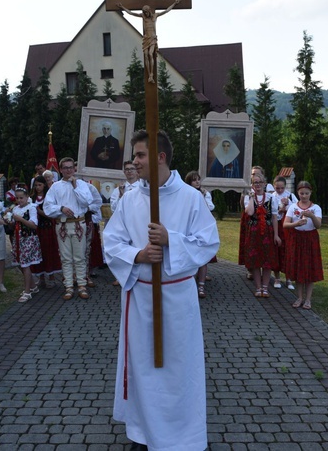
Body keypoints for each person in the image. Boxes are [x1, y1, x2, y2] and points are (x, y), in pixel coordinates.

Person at [103, 129, 220, 450]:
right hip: (140, 297)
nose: (134, 162)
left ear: (160, 157)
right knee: (143, 368)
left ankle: (184, 437)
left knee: (179, 370)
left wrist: (172, 241)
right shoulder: (130, 200)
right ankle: (142, 434)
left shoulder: (191, 198)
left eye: (140, 155)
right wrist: (137, 255)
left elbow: (209, 243)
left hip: (178, 299)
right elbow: (111, 242)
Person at [43, 157, 94, 300]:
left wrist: (75, 186)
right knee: (65, 257)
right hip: (62, 225)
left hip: (79, 223)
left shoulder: (82, 185)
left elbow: (86, 202)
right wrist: (61, 208)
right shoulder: (55, 186)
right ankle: (69, 286)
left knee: (80, 256)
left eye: (71, 167)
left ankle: (82, 285)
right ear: (60, 170)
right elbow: (47, 207)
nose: (68, 170)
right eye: (65, 168)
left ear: (74, 169)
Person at [118, 0, 181, 83]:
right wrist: (122, 7)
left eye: (147, 12)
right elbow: (131, 13)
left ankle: (151, 74)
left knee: (151, 54)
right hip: (146, 38)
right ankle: (149, 75)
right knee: (146, 54)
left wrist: (174, 3)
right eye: (144, 12)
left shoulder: (155, 16)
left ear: (149, 11)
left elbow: (166, 11)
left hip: (152, 38)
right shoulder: (143, 17)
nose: (146, 14)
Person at [283, 181, 323, 309]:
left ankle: (308, 299)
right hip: (297, 239)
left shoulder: (316, 208)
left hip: (311, 239)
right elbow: (285, 224)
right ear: (298, 193)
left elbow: (318, 225)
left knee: (310, 268)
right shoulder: (293, 207)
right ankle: (299, 297)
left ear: (310, 193)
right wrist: (296, 224)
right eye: (301, 193)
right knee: (298, 268)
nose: (304, 196)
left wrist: (311, 215)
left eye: (306, 193)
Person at [243, 171, 282, 297]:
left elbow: (275, 217)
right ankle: (258, 287)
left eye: (260, 182)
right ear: (252, 185)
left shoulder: (272, 198)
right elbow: (249, 213)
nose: (258, 185)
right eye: (255, 183)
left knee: (267, 260)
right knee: (255, 260)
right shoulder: (249, 197)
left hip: (268, 231)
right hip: (254, 231)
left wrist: (276, 235)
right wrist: (252, 197)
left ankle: (265, 287)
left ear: (265, 184)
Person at [184, 170, 217, 298]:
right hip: (189, 227)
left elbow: (210, 207)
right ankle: (190, 284)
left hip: (202, 227)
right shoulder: (185, 194)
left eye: (198, 179)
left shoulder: (204, 193)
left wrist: (202, 198)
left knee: (203, 257)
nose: (197, 182)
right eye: (194, 180)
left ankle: (201, 286)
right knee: (191, 256)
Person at [108, 160, 140, 286]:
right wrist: (121, 195)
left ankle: (137, 273)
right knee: (123, 249)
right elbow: (113, 208)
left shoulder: (142, 187)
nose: (129, 172)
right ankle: (121, 274)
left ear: (137, 171)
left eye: (132, 169)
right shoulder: (118, 189)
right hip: (123, 224)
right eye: (127, 169)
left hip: (137, 223)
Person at [10, 187, 43, 303]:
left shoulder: (32, 208)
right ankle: (33, 286)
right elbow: (14, 225)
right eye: (17, 198)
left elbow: (34, 225)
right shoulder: (15, 209)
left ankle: (27, 291)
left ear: (27, 197)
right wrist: (10, 222)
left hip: (28, 239)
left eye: (21, 198)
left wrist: (20, 219)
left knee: (25, 264)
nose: (19, 200)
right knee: (20, 263)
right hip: (18, 239)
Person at [30, 175, 62, 288]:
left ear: (44, 185)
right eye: (36, 185)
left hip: (47, 228)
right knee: (39, 252)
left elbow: (51, 215)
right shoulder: (32, 198)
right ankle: (41, 277)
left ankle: (51, 277)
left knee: (49, 251)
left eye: (40, 185)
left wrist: (39, 211)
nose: (38, 187)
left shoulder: (49, 197)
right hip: (37, 229)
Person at [271, 175, 298, 290]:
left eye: (282, 188)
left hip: (288, 228)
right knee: (276, 251)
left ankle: (288, 278)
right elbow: (270, 212)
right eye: (277, 188)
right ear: (274, 187)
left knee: (288, 251)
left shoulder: (291, 196)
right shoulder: (272, 197)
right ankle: (277, 277)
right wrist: (279, 209)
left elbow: (297, 209)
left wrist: (287, 206)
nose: (280, 190)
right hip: (277, 226)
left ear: (285, 187)